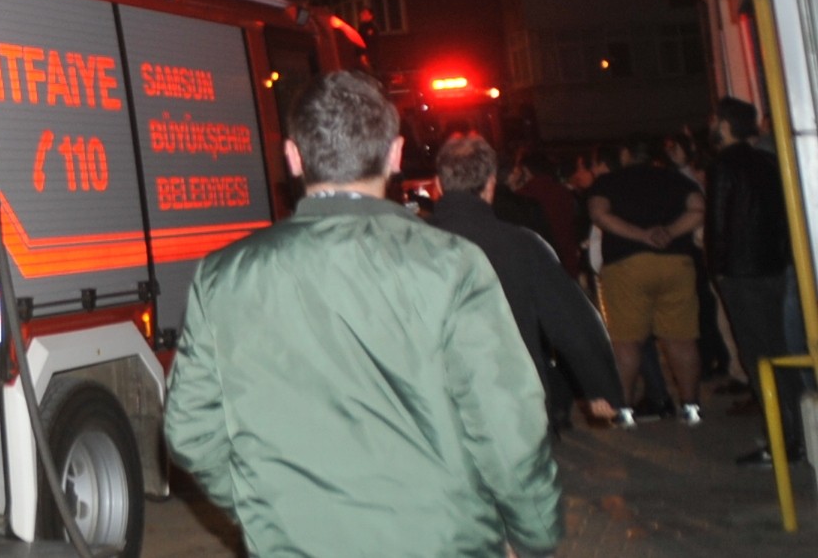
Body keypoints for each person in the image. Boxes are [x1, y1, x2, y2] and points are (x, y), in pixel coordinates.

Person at [166, 72, 560, 558]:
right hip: (442, 541)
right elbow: (507, 425)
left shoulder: (223, 275)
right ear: (396, 154)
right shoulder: (452, 264)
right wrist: (535, 534)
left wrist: (266, 505)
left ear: (292, 157)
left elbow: (189, 429)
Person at [431, 134, 623, 431]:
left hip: (434, 403)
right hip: (511, 399)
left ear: (439, 184)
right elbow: (571, 320)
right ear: (491, 184)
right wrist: (600, 387)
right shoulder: (521, 245)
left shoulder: (409, 245)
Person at [706, 97, 804, 466]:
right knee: (778, 350)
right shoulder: (768, 161)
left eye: (714, 119)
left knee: (758, 355)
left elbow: (718, 222)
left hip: (739, 272)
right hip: (773, 268)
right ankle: (793, 433)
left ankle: (784, 441)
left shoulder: (723, 166)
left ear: (724, 124)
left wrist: (717, 268)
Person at [588, 136, 706, 424]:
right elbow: (698, 208)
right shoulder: (676, 179)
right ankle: (691, 407)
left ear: (626, 153)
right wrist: (669, 232)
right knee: (681, 338)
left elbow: (599, 214)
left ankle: (624, 410)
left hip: (627, 265)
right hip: (677, 262)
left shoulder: (609, 182)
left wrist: (640, 236)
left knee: (627, 341)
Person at [510, 148, 583, 278]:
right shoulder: (564, 192)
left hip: (541, 267)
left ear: (525, 170)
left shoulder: (522, 196)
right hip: (568, 263)